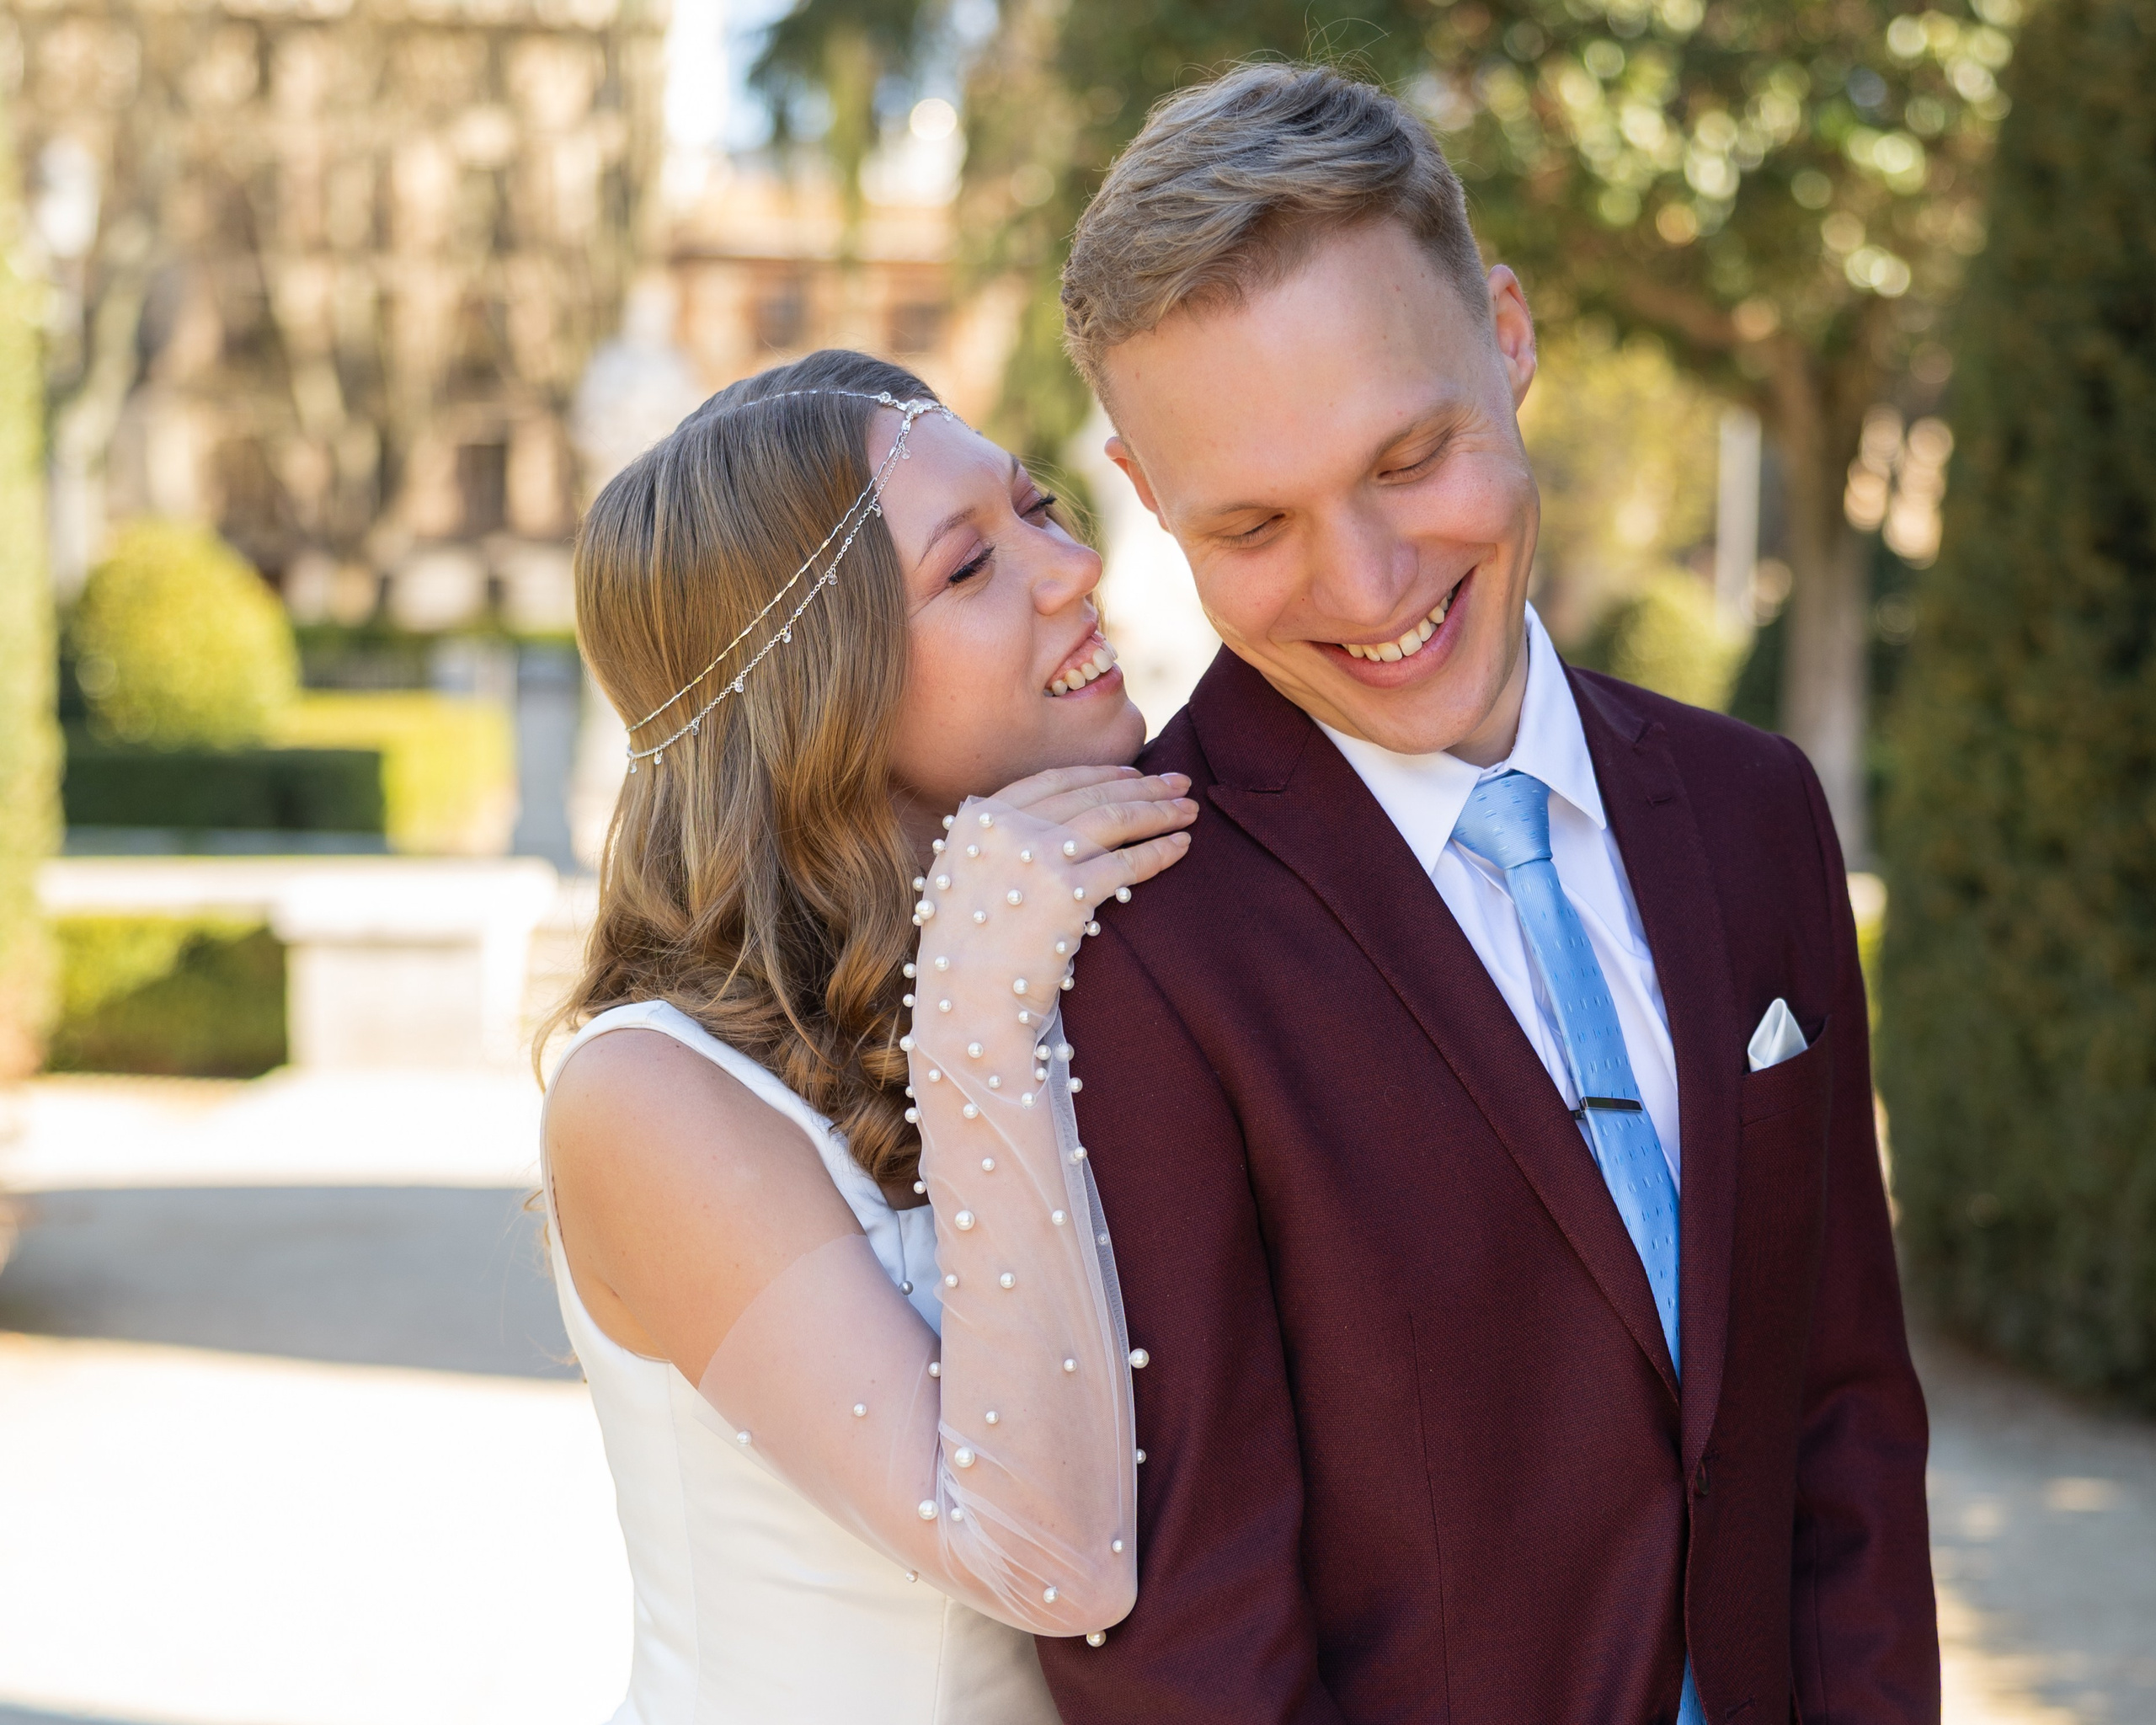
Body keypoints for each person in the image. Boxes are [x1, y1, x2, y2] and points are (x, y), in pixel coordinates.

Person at [1035, 64, 1940, 1724]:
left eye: (1408, 455)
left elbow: (1840, 1414)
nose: (1366, 585)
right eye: (1249, 521)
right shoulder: (1131, 938)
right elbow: (1187, 1632)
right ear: (1145, 496)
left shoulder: (1756, 814)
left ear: (1505, 333)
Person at [537, 348, 1197, 1722]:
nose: (1071, 569)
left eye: (1040, 508)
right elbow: (1048, 1560)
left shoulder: (1108, 947)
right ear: (816, 692)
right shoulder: (645, 1095)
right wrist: (974, 1010)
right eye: (968, 567)